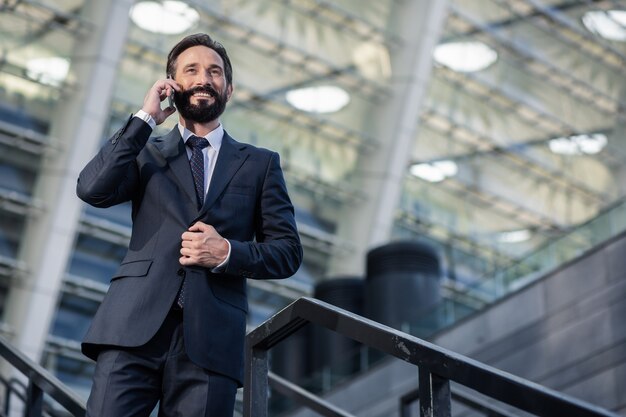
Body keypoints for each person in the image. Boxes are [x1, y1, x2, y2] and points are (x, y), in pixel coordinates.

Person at [76, 33, 303, 416]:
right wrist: (145, 118)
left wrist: (227, 252)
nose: (204, 78)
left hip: (211, 344)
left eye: (214, 72)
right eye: (191, 70)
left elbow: (287, 252)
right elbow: (92, 189)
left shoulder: (261, 164)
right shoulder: (145, 150)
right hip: (132, 328)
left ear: (228, 89)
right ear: (172, 85)